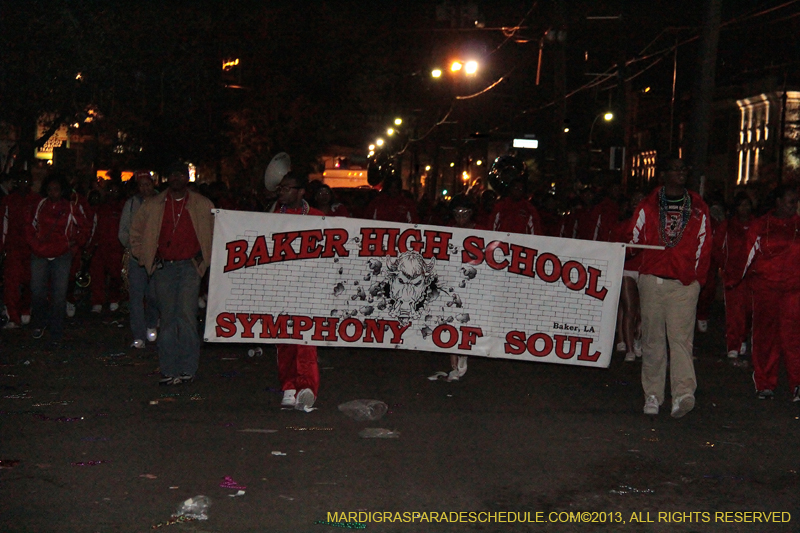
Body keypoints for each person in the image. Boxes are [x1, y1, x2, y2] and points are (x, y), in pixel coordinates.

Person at [627, 157, 711, 418]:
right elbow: (632, 239)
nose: (681, 172)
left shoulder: (697, 206)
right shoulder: (649, 204)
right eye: (675, 168)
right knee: (653, 339)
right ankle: (653, 394)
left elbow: (704, 243)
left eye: (684, 168)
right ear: (663, 173)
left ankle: (683, 394)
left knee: (681, 341)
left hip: (684, 285)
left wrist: (696, 278)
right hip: (653, 280)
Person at [130, 163, 214, 385]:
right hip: (164, 267)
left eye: (181, 174)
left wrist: (204, 260)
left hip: (189, 267)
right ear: (167, 179)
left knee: (186, 316)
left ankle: (187, 368)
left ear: (187, 179)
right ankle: (169, 369)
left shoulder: (202, 204)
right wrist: (146, 256)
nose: (177, 178)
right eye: (173, 174)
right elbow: (135, 232)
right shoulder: (153, 205)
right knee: (167, 318)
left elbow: (217, 231)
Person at [741, 185, 800, 401]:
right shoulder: (761, 225)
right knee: (766, 336)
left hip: (794, 290)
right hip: (766, 288)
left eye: (796, 202)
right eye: (790, 201)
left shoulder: (798, 225)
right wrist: (735, 280)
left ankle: (797, 383)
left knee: (794, 337)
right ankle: (765, 382)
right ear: (777, 202)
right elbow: (746, 257)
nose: (793, 206)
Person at [272, 171, 324, 410]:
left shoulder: (317, 217)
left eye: (287, 188)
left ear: (301, 192)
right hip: (282, 285)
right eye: (280, 188)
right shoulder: (272, 216)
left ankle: (307, 388)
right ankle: (289, 387)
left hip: (308, 286)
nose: (282, 191)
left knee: (306, 337)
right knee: (284, 338)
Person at [26, 174, 91, 342]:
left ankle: (56, 329)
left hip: (61, 254)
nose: (53, 193)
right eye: (49, 189)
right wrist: (35, 245)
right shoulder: (40, 205)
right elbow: (29, 227)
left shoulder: (70, 207)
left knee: (59, 295)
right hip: (40, 253)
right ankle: (39, 323)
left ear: (62, 190)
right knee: (37, 291)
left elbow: (84, 227)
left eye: (56, 189)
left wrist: (74, 245)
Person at [119, 171, 159, 349]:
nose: (145, 188)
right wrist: (134, 247)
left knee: (153, 295)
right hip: (136, 257)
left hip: (157, 257)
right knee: (136, 296)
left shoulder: (162, 202)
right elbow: (123, 230)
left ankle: (151, 322)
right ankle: (138, 334)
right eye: (141, 185)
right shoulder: (132, 204)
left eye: (148, 184)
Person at [714, 193, 753, 359]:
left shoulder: (757, 225)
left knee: (749, 310)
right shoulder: (728, 226)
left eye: (747, 205)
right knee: (734, 311)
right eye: (741, 205)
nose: (744, 208)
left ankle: (743, 338)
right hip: (733, 275)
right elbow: (717, 247)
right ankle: (733, 344)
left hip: (752, 275)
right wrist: (723, 267)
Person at [0, 171, 39, 329]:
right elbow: (3, 225)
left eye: (26, 180)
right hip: (14, 248)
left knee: (31, 282)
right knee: (12, 283)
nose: (23, 183)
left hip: (32, 249)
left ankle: (25, 311)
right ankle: (13, 316)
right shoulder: (9, 200)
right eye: (20, 180)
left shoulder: (37, 201)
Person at [88, 182, 126, 313]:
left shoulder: (123, 208)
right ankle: (97, 301)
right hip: (100, 247)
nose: (113, 193)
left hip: (116, 247)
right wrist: (90, 247)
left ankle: (114, 299)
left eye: (116, 190)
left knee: (116, 276)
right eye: (110, 190)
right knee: (97, 276)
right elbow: (93, 228)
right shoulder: (100, 208)